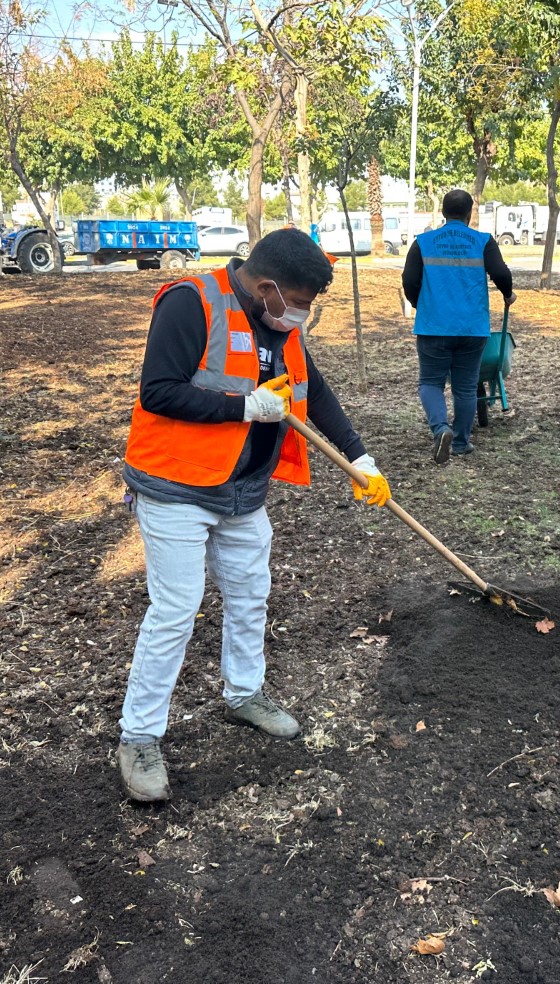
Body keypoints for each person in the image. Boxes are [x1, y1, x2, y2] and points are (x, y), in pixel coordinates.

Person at [117, 229, 392, 802]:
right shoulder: (191, 303)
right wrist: (244, 407)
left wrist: (359, 457)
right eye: (300, 303)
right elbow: (158, 392)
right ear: (268, 287)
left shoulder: (277, 323)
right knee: (175, 609)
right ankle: (139, 737)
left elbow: (315, 392)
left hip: (243, 492)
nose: (301, 315)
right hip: (176, 489)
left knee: (250, 595)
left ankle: (244, 694)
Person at [402, 189, 515, 462]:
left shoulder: (423, 242)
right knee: (465, 387)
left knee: (430, 382)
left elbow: (409, 279)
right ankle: (462, 442)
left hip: (433, 326)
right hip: (472, 328)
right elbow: (501, 272)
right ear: (469, 213)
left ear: (443, 212)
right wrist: (507, 293)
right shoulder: (483, 241)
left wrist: (420, 304)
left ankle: (440, 428)